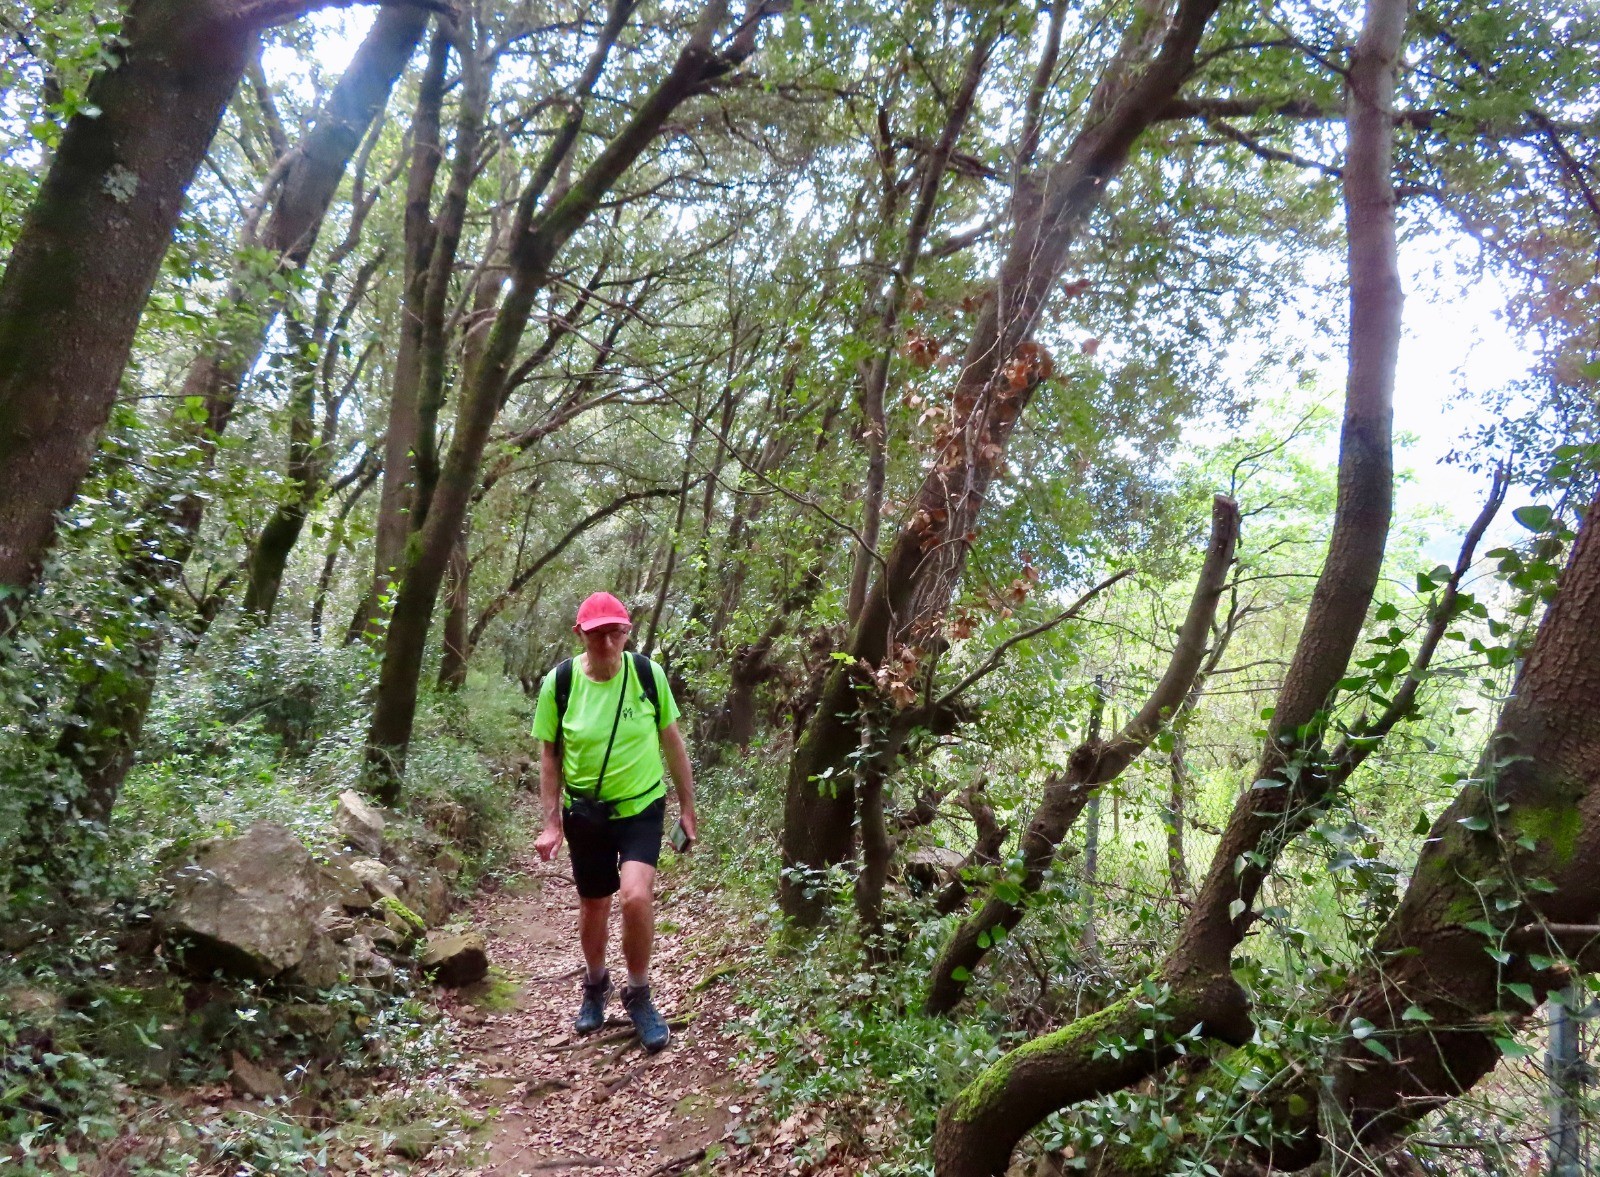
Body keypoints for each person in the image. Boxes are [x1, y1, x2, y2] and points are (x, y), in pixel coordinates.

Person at [531, 592, 697, 1052]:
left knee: (636, 897)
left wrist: (687, 807)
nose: (607, 643)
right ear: (579, 634)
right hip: (586, 813)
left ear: (627, 632)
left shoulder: (647, 674)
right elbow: (549, 756)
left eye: (615, 633)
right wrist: (551, 823)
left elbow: (672, 742)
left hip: (641, 807)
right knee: (594, 905)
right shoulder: (561, 683)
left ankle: (639, 993)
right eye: (597, 634)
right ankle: (595, 983)